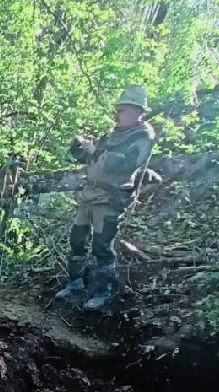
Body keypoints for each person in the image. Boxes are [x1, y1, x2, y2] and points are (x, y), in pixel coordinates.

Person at [55, 85, 154, 312]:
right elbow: (91, 158)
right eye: (117, 109)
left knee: (102, 246)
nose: (117, 114)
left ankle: (103, 293)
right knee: (77, 240)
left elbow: (123, 163)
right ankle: (75, 285)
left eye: (122, 110)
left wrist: (96, 152)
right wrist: (81, 148)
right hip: (89, 195)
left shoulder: (142, 135)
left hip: (110, 199)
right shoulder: (112, 134)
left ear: (138, 111)